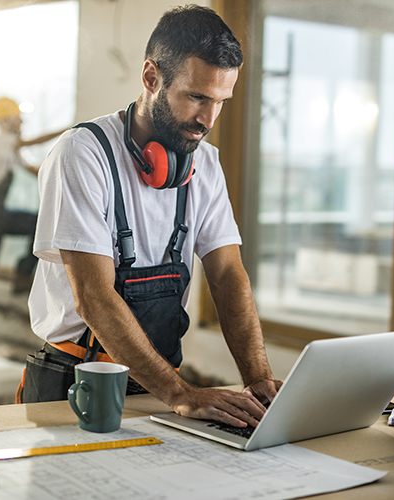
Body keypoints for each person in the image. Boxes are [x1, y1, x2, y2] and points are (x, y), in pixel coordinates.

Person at [20, 5, 282, 429]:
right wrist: (181, 394)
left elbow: (228, 273)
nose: (207, 120)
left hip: (158, 385)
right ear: (150, 77)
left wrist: (258, 382)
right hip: (77, 383)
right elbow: (93, 296)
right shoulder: (83, 154)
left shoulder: (206, 165)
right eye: (196, 96)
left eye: (220, 102)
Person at [0, 97, 66, 345]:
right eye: (17, 117)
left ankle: (22, 271)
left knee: (39, 222)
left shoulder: (11, 149)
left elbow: (34, 170)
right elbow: (31, 142)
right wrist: (68, 132)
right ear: (7, 121)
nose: (21, 121)